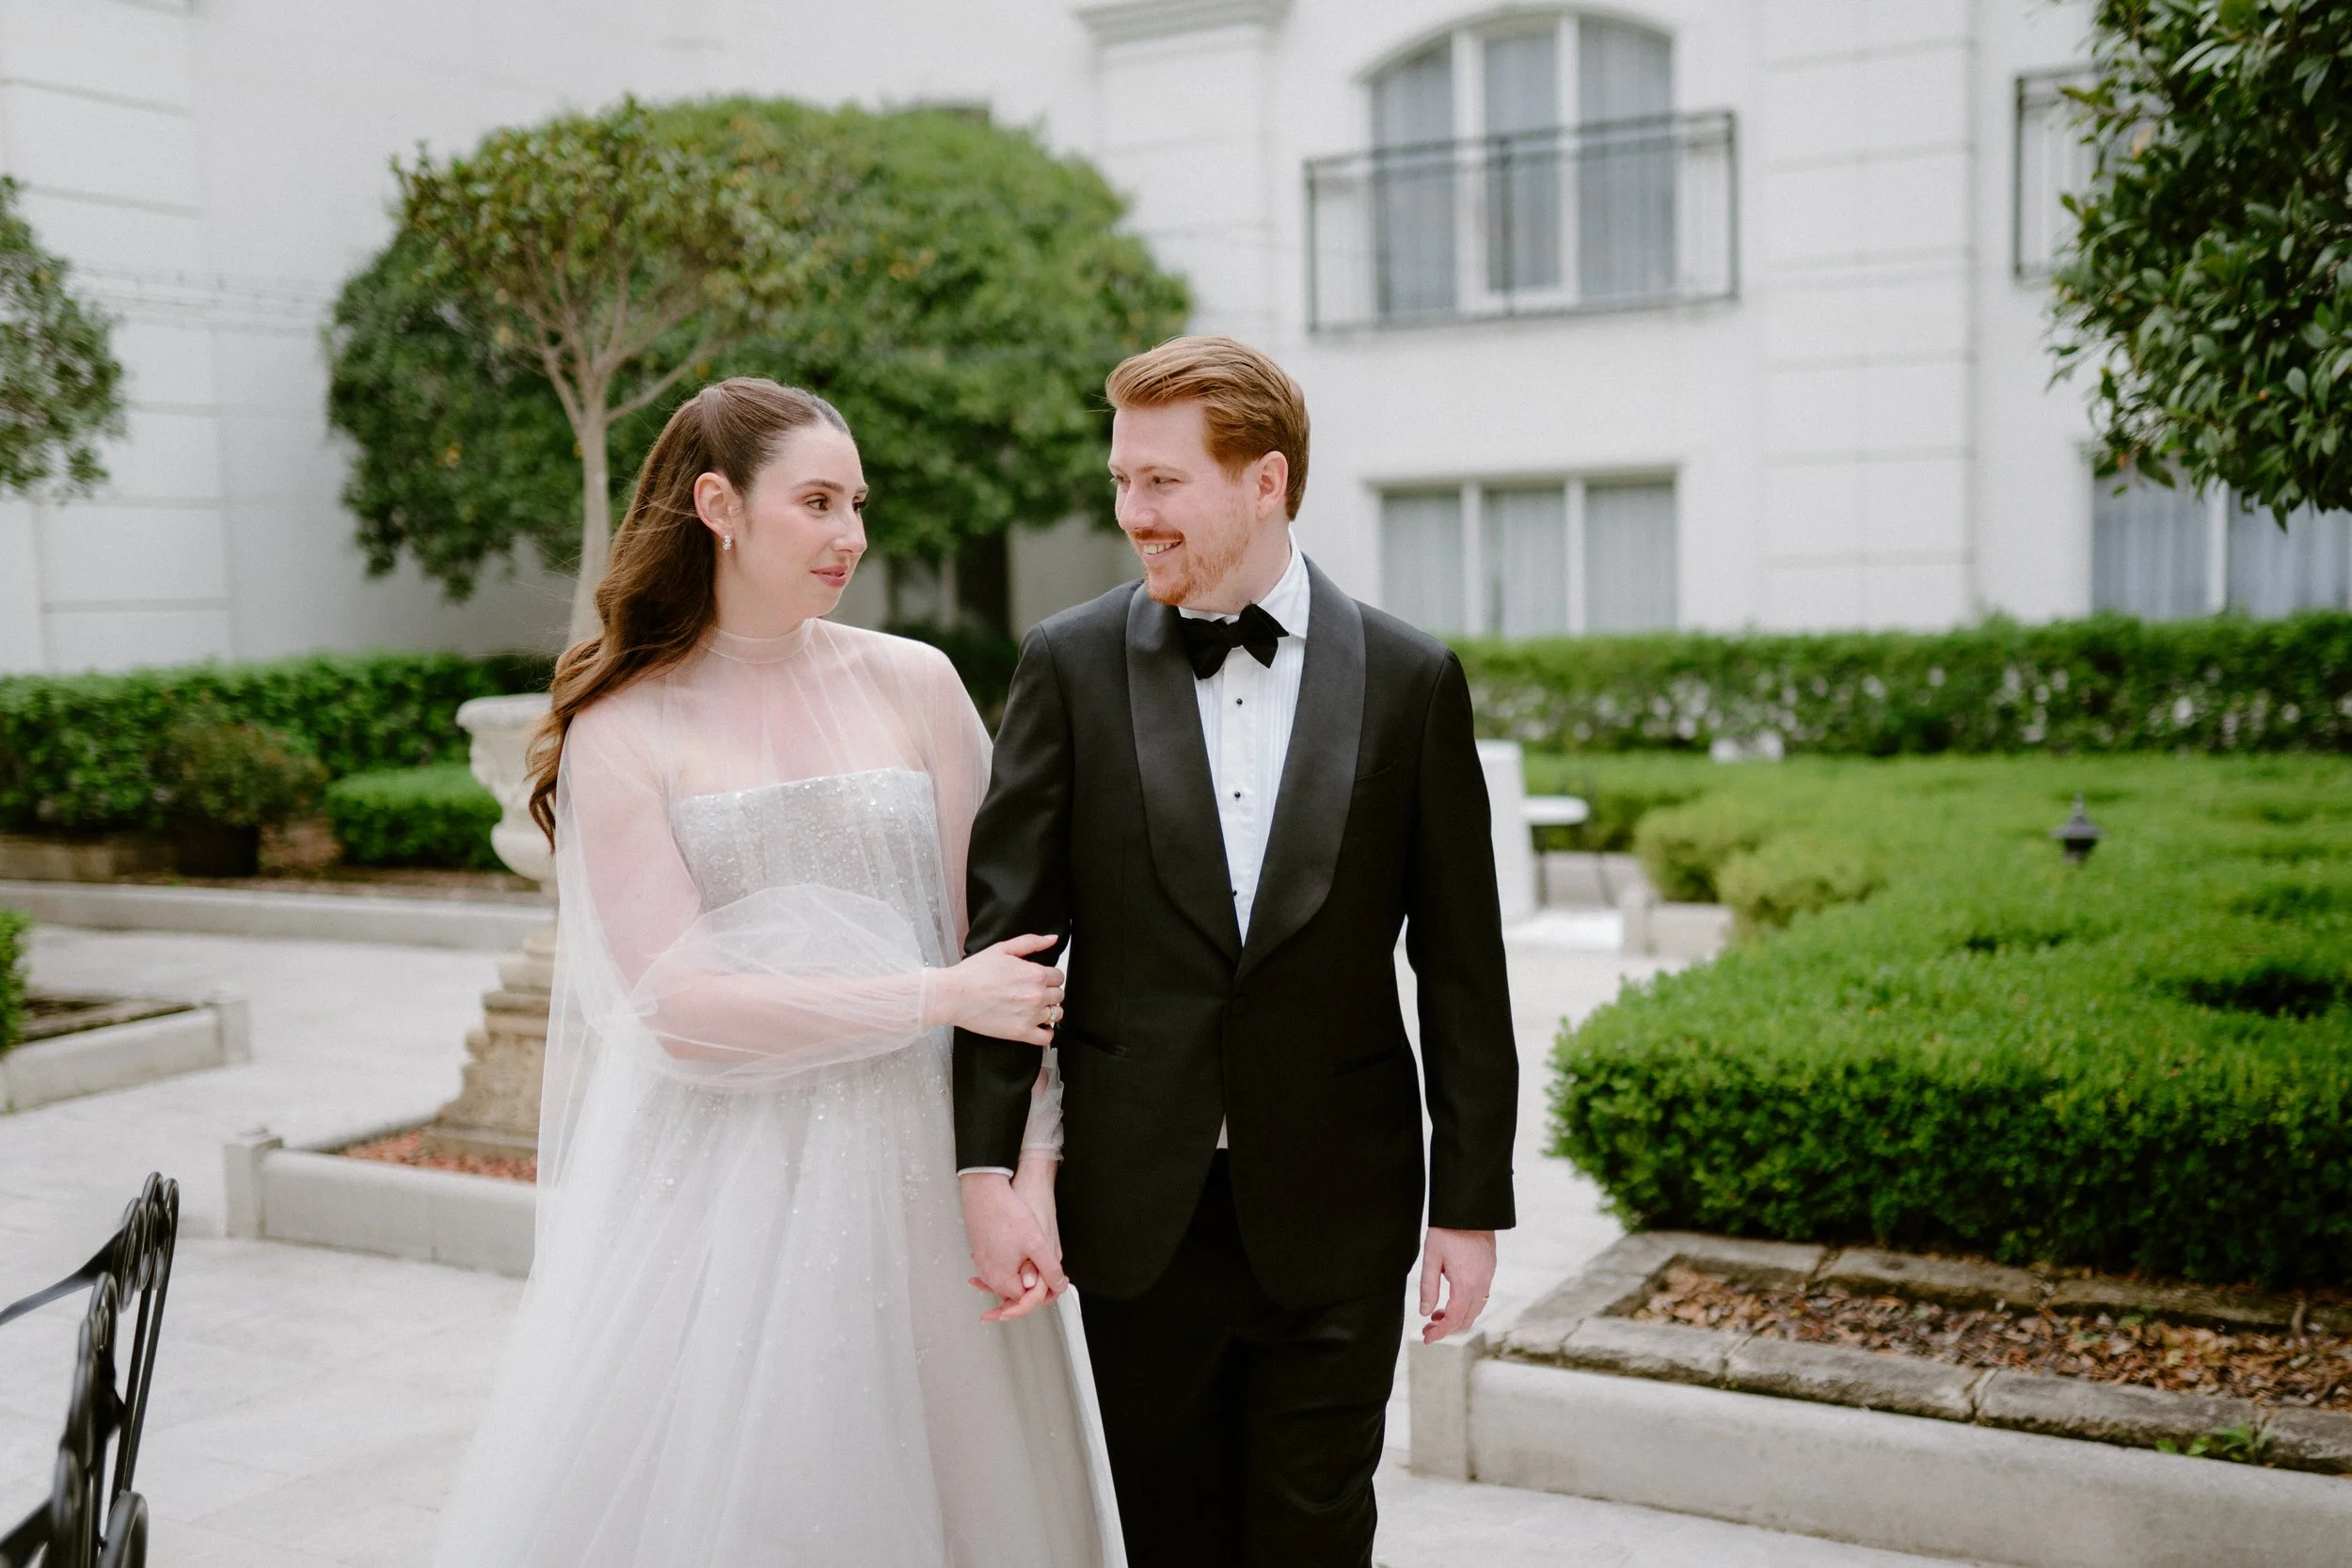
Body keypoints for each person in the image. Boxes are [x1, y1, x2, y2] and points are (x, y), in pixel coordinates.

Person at [432, 377, 1112, 1567]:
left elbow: (1009, 951)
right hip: (723, 1199)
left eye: (856, 503)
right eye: (816, 501)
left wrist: (1029, 1170)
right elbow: (680, 1009)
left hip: (935, 1176)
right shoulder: (624, 726)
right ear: (718, 504)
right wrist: (929, 997)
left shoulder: (915, 680)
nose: (851, 534)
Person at [954, 336, 1518, 1567]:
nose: (1130, 513)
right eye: (1120, 481)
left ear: (1264, 481)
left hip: (1342, 1200)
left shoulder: (1414, 677)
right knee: (1171, 1533)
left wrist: (1469, 1205)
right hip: (1139, 1200)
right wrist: (990, 1167)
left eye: (1160, 482)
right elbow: (1012, 938)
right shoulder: (1069, 662)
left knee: (1317, 1531)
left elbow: (1464, 963)